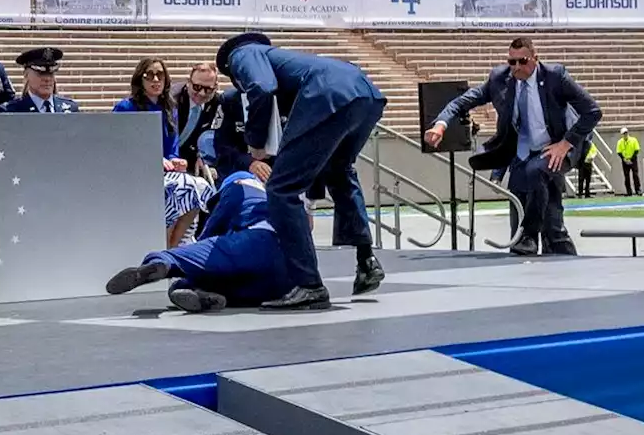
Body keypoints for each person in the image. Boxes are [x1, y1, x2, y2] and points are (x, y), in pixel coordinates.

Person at [215, 31, 387, 310]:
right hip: (366, 93)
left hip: (330, 94)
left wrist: (255, 143)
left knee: (280, 190)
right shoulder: (288, 64)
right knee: (339, 170)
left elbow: (260, 86)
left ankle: (309, 285)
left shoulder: (242, 54)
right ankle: (366, 260)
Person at [425, 36, 601, 256]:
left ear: (535, 59)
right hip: (521, 153)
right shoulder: (500, 79)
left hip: (556, 149)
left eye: (523, 61)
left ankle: (529, 235)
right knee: (546, 225)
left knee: (535, 172)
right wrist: (441, 124)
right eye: (512, 62)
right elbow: (464, 101)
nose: (517, 67)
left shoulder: (556, 76)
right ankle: (531, 249)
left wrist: (566, 143)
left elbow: (593, 112)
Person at [105, 171, 296, 313]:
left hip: (254, 241)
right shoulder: (273, 198)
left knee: (178, 261)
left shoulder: (239, 186)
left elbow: (210, 236)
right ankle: (201, 293)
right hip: (285, 275)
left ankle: (158, 264)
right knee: (241, 284)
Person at [0, 47, 79, 113]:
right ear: (26, 75)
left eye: (51, 73)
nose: (47, 79)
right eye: (41, 73)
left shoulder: (70, 109)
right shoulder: (11, 111)